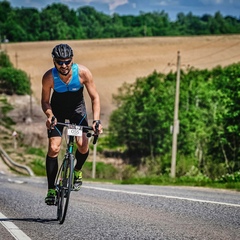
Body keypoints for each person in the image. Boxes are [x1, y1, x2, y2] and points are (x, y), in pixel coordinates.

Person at [41, 43, 102, 205]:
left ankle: (77, 170)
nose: (64, 65)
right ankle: (51, 189)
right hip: (57, 112)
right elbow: (45, 102)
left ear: (72, 60)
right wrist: (50, 115)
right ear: (54, 61)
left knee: (83, 145)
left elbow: (95, 98)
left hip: (77, 111)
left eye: (67, 61)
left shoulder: (83, 73)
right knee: (54, 148)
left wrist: (96, 121)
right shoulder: (49, 77)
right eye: (60, 62)